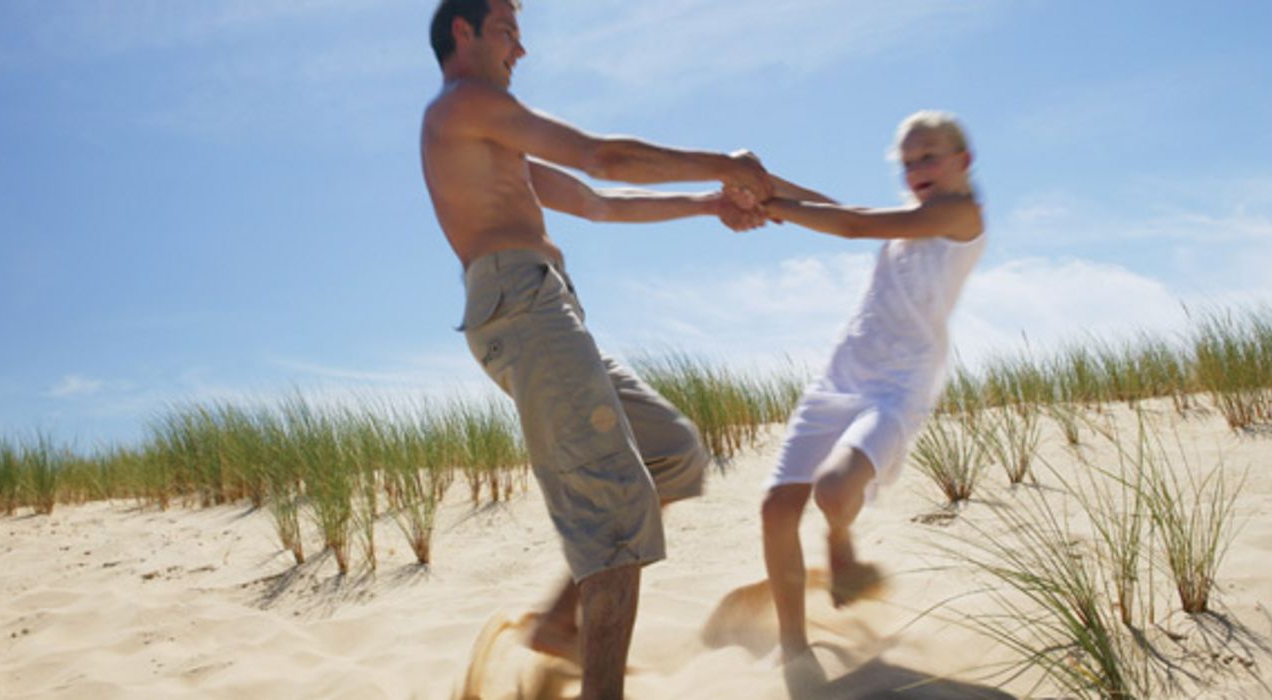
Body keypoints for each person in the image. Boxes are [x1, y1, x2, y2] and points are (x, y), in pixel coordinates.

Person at [420, 1, 770, 696]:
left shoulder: (496, 140)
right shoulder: (464, 104)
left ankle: (557, 625)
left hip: (548, 306)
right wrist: (723, 162)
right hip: (521, 307)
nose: (520, 49)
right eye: (506, 31)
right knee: (613, 509)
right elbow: (602, 155)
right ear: (463, 32)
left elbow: (600, 201)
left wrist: (708, 202)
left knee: (671, 451)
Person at [755, 111, 986, 661]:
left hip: (898, 388)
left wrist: (769, 207)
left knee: (834, 490)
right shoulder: (910, 219)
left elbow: (855, 227)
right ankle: (794, 648)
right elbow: (848, 212)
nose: (917, 169)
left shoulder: (961, 213)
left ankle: (839, 543)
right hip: (841, 374)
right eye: (907, 162)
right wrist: (763, 184)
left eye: (929, 156)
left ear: (962, 161)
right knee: (775, 508)